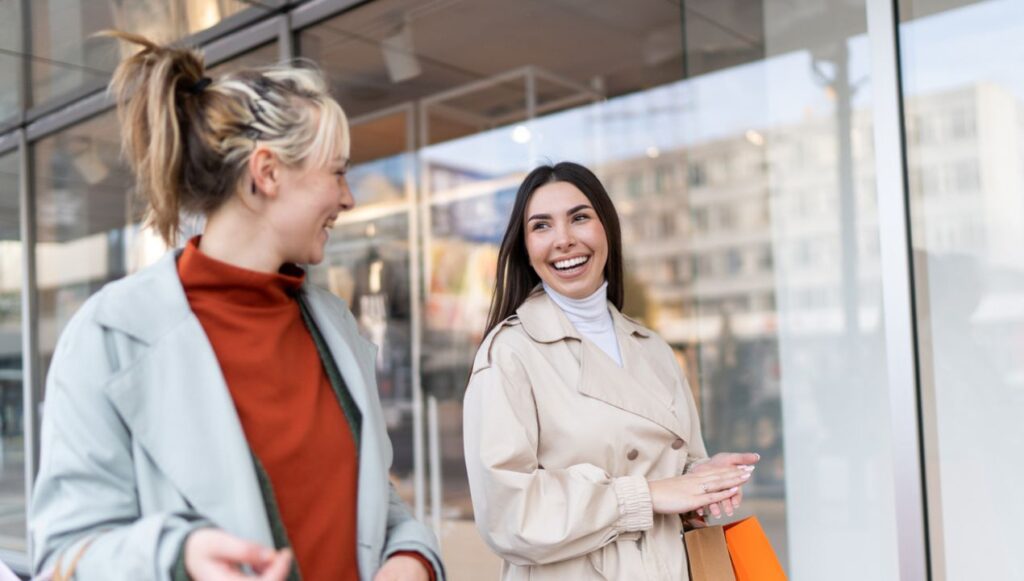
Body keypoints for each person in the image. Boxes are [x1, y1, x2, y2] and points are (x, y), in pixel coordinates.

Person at [29, 32, 443, 581]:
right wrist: (177, 559)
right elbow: (63, 556)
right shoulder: (109, 336)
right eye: (337, 172)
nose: (348, 198)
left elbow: (375, 501)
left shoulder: (335, 327)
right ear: (267, 173)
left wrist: (411, 557)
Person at [463, 162, 760, 580]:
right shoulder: (510, 352)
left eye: (580, 218)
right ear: (525, 247)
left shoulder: (652, 347)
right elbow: (507, 513)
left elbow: (678, 473)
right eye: (542, 226)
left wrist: (702, 481)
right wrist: (648, 496)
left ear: (607, 229)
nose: (564, 240)